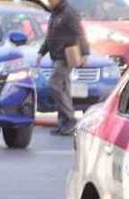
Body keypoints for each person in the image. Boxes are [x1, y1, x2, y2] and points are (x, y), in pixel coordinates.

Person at [37, 0, 89, 135]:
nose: (49, 2)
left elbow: (80, 33)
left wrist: (85, 53)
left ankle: (70, 119)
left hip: (66, 57)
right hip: (56, 56)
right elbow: (50, 36)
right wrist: (41, 52)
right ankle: (63, 125)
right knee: (64, 89)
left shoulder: (69, 12)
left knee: (54, 85)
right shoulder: (55, 13)